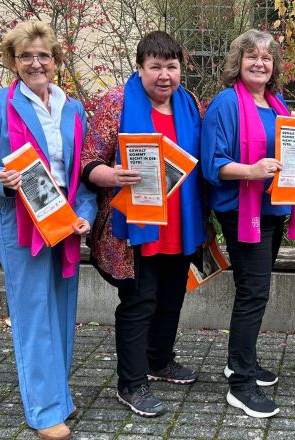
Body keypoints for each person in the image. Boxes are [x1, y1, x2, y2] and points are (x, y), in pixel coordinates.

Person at [0, 21, 96, 440]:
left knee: (62, 312)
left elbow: (82, 174)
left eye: (43, 55)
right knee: (34, 313)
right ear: (13, 61)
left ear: (55, 60)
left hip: (64, 222)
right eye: (26, 56)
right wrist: (0, 179)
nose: (36, 63)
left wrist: (85, 214)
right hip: (20, 222)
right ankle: (44, 411)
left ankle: (57, 396)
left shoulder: (73, 109)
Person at [80, 31, 205, 418]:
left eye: (172, 67)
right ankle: (131, 383)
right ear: (139, 68)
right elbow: (88, 161)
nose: (164, 75)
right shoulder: (117, 102)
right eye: (155, 67)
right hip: (135, 226)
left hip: (180, 223)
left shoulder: (189, 103)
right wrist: (112, 175)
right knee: (138, 302)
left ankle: (159, 360)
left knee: (172, 297)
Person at [201, 29, 295, 418]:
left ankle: (241, 362)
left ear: (274, 66)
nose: (259, 63)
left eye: (266, 58)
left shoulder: (277, 104)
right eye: (252, 56)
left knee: (254, 291)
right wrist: (251, 171)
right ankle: (240, 384)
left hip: (272, 209)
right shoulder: (226, 104)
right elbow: (213, 164)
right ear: (238, 61)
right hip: (242, 210)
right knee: (253, 295)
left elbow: (284, 154)